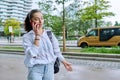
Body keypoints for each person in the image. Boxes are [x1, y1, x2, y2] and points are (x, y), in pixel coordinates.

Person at [22, 9, 72, 80]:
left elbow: (56, 51)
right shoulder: (27, 37)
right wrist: (37, 36)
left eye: (41, 18)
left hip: (49, 68)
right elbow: (32, 53)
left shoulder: (49, 34)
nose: (40, 21)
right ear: (31, 21)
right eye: (36, 19)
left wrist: (64, 62)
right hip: (35, 69)